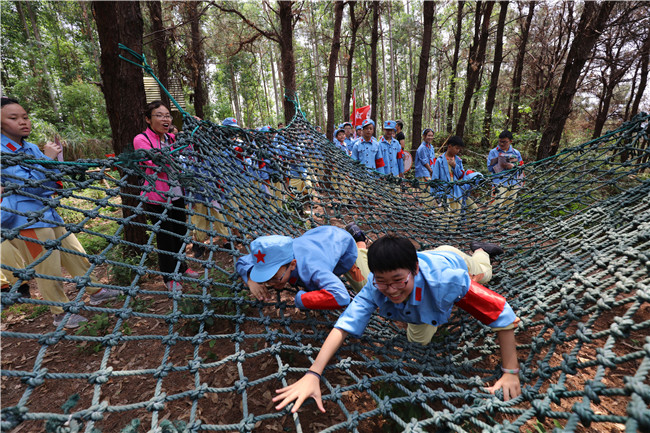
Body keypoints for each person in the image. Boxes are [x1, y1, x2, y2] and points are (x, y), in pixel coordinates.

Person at [272, 235, 520, 413]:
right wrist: (313, 373)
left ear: (414, 270)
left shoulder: (448, 281)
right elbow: (344, 325)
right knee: (417, 337)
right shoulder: (376, 284)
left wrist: (510, 373)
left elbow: (501, 312)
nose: (390, 290)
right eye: (382, 282)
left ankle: (481, 251)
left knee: (483, 274)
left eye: (397, 281)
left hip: (454, 261)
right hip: (422, 266)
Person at [1, 97, 119, 328]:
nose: (23, 122)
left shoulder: (31, 147)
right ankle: (60, 312)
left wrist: (49, 162)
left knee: (74, 252)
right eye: (13, 118)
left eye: (24, 116)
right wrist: (49, 160)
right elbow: (31, 184)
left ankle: (95, 290)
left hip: (48, 211)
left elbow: (54, 181)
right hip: (26, 219)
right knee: (47, 265)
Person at [133, 100, 199, 291]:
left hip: (177, 193)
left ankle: (182, 267)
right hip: (157, 197)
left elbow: (189, 153)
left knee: (179, 233)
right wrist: (175, 148)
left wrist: (193, 131)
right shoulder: (142, 139)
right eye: (159, 115)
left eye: (168, 115)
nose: (165, 119)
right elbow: (153, 162)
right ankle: (170, 277)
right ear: (148, 119)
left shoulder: (171, 138)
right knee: (165, 237)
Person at [236, 225, 370, 310]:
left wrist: (301, 299)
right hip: (317, 239)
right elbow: (242, 262)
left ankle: (359, 240)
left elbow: (341, 296)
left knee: (369, 289)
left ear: (293, 264)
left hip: (343, 247)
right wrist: (250, 279)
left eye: (275, 278)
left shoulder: (313, 269)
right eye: (265, 279)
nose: (270, 283)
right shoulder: (270, 255)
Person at [487, 130, 524, 208]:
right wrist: (501, 164)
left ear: (510, 141)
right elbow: (489, 168)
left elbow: (521, 166)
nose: (501, 144)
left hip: (513, 184)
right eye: (500, 141)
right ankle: (488, 220)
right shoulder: (493, 152)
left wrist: (513, 166)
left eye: (504, 142)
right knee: (494, 207)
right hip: (499, 183)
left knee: (508, 209)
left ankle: (504, 220)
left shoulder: (516, 153)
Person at [430, 135, 466, 210]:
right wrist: (435, 195)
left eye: (459, 149)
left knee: (455, 217)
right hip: (443, 193)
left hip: (456, 193)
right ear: (449, 146)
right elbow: (435, 179)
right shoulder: (439, 161)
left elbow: (461, 175)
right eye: (456, 148)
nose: (458, 151)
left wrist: (455, 165)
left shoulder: (458, 160)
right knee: (444, 217)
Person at [414, 129, 436, 207]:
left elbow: (432, 159)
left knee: (429, 192)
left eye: (431, 135)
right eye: (428, 135)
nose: (430, 137)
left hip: (430, 171)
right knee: (427, 191)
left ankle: (426, 208)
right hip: (423, 172)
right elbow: (424, 161)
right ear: (424, 136)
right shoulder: (422, 148)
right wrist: (431, 170)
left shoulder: (431, 147)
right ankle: (425, 210)